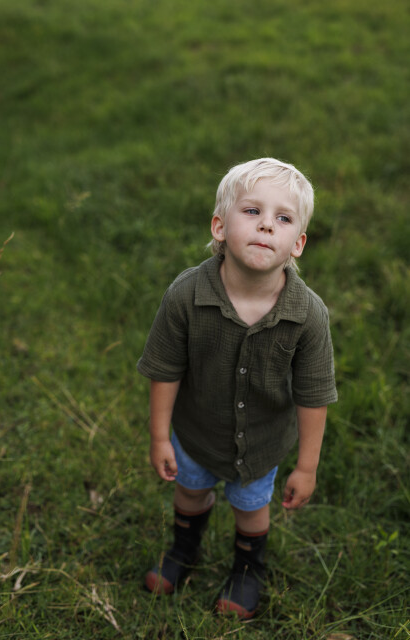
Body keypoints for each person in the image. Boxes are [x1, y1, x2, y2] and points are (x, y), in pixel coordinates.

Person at [137, 157, 337, 619]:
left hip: (262, 443)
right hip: (195, 432)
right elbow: (165, 369)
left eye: (283, 218)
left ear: (298, 243)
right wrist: (159, 436)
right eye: (252, 211)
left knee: (250, 508)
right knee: (189, 491)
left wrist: (306, 467)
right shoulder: (186, 295)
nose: (266, 225)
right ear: (220, 226)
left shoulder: (308, 315)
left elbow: (313, 394)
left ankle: (248, 570)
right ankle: (184, 549)